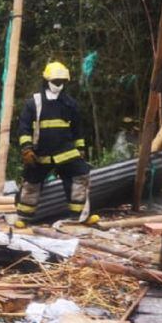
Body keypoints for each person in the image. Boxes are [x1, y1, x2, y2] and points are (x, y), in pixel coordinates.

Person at [13, 61, 100, 228]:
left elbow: (77, 129)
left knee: (80, 175)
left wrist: (80, 148)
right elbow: (23, 128)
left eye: (62, 82)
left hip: (65, 151)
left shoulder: (70, 103)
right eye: (56, 82)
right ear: (46, 80)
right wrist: (26, 148)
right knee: (31, 183)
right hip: (41, 152)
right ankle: (23, 217)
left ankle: (79, 216)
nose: (59, 86)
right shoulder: (34, 103)